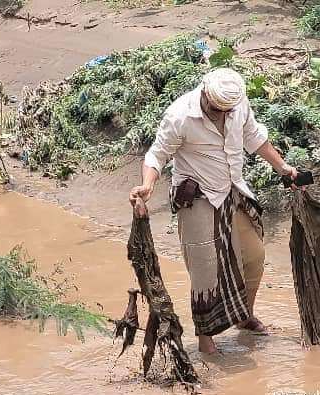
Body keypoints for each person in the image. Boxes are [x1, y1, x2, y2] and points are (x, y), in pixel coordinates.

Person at [128, 68, 299, 354]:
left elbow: (255, 138)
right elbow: (156, 155)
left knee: (254, 256)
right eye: (215, 108)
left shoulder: (238, 104)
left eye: (225, 110)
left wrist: (283, 168)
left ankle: (244, 316)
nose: (220, 113)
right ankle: (205, 339)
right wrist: (147, 185)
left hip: (233, 189)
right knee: (205, 272)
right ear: (204, 92)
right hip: (197, 196)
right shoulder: (180, 115)